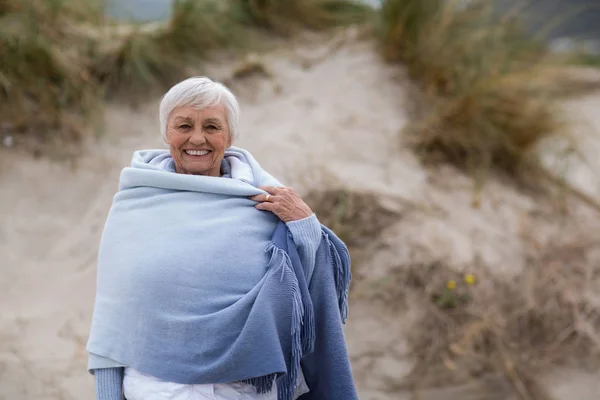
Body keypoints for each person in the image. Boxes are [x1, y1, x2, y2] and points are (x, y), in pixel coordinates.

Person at [86, 76, 357, 400]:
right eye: (184, 125)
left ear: (230, 136)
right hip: (155, 388)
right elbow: (113, 318)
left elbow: (303, 293)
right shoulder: (134, 204)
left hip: (243, 388)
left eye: (212, 126)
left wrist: (306, 226)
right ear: (166, 133)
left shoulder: (267, 200)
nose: (197, 138)